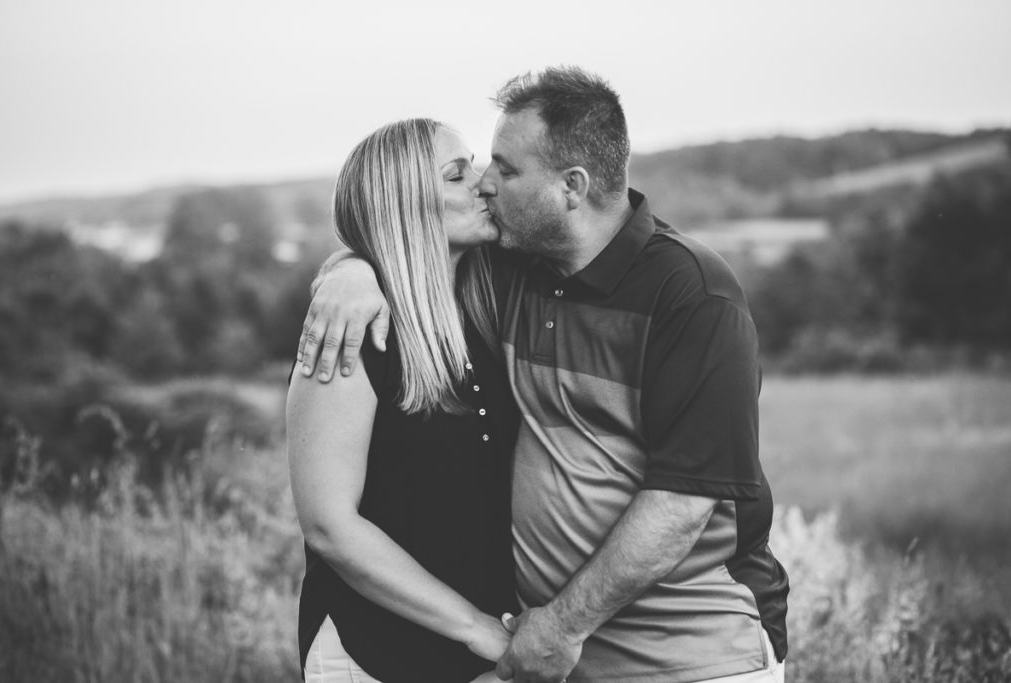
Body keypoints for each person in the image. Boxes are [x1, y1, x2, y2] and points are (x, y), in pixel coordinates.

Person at [299, 67, 790, 683]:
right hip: (453, 655)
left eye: (503, 169)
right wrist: (349, 270)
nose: (486, 184)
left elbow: (684, 503)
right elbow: (328, 525)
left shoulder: (685, 294)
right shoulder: (483, 284)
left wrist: (555, 628)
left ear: (571, 187)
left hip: (687, 655)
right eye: (469, 171)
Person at [286, 118, 520, 683]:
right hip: (374, 655)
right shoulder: (354, 333)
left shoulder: (493, 306)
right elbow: (329, 527)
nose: (483, 182)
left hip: (487, 659)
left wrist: (345, 267)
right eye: (456, 174)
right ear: (405, 204)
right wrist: (474, 626)